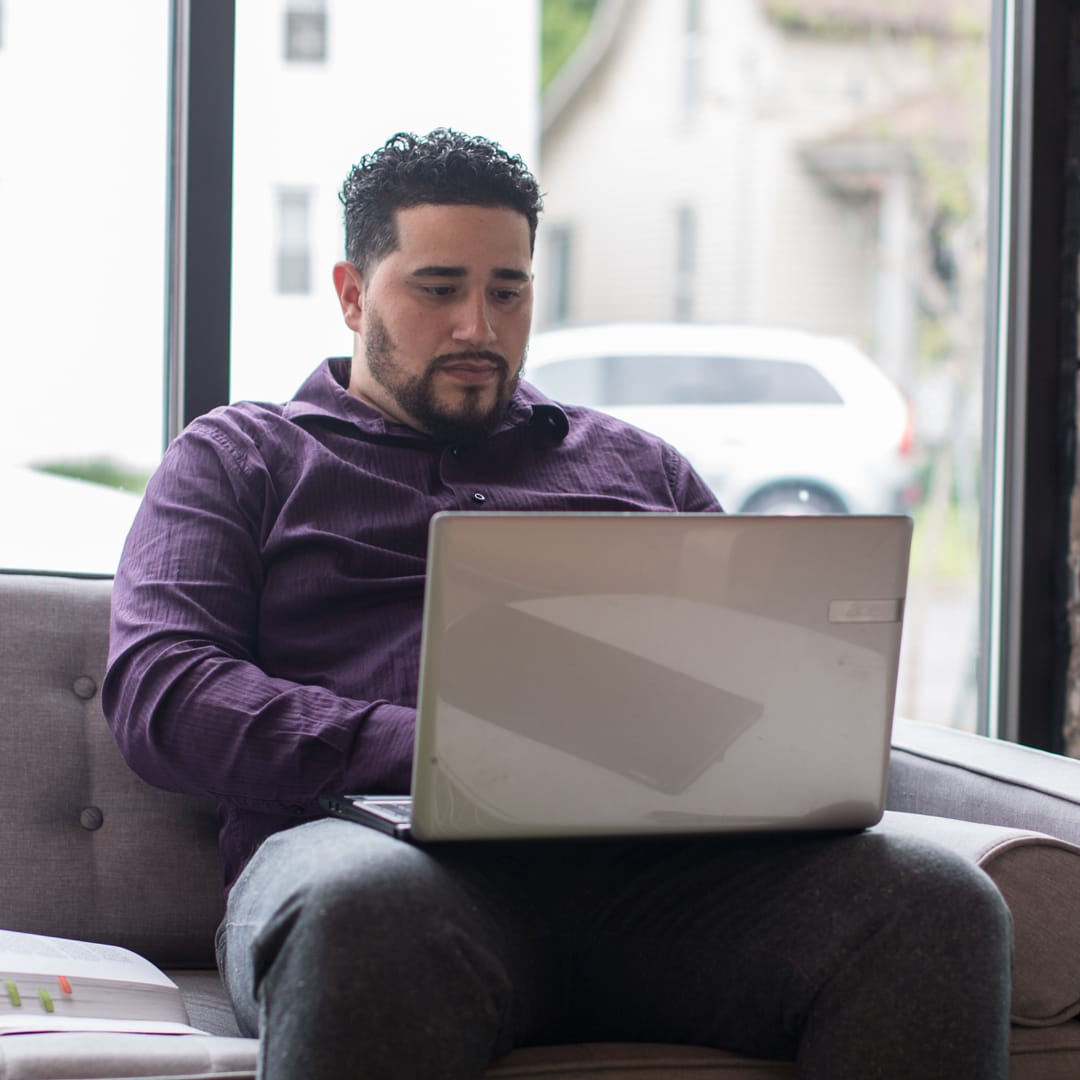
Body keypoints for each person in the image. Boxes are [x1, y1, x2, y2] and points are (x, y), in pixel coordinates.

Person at [103, 128, 1011, 1079]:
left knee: (936, 902)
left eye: (508, 291)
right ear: (350, 292)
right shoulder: (243, 457)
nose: (478, 328)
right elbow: (163, 693)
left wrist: (794, 723)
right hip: (376, 867)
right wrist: (449, 748)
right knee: (364, 908)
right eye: (439, 287)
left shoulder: (639, 466)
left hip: (666, 894)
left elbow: (754, 669)